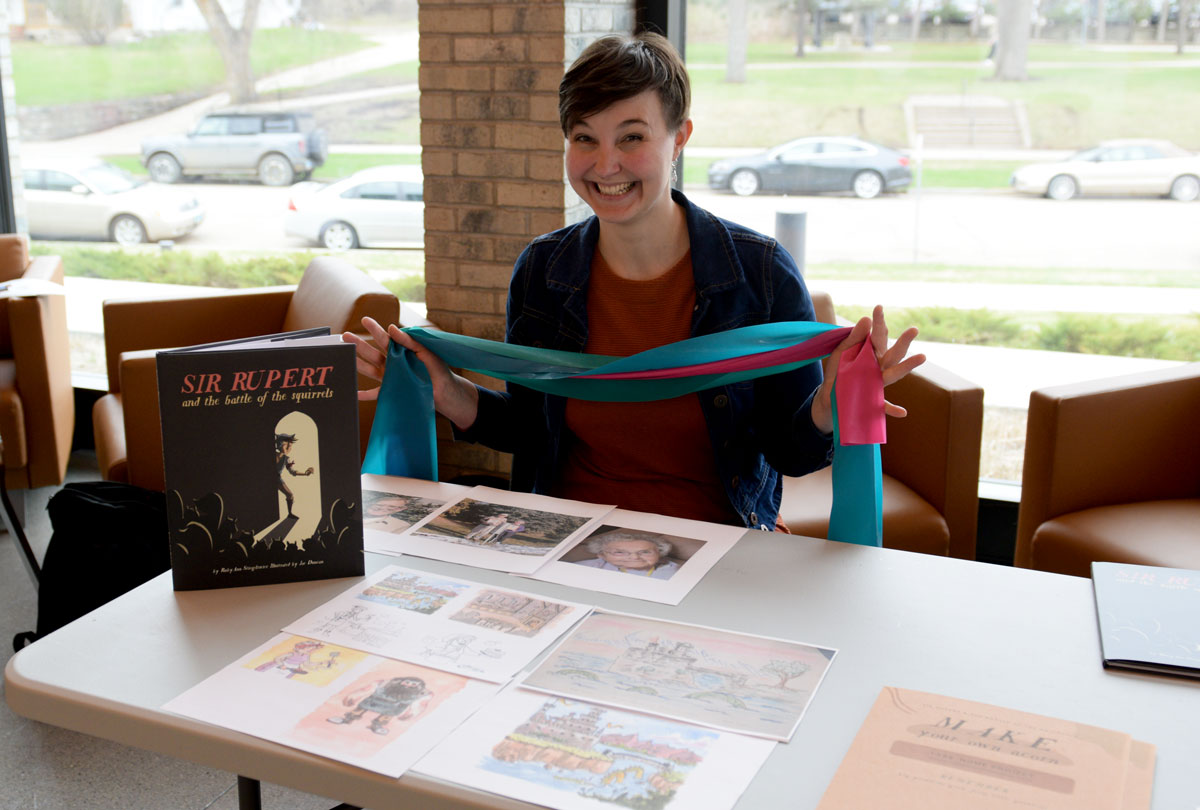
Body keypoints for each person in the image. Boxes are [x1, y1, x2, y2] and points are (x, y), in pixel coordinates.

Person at [347, 32, 923, 532]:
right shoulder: (543, 273)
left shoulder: (761, 274)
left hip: (719, 545)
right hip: (562, 540)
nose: (605, 165)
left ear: (680, 137)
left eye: (631, 136)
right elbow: (532, 429)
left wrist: (829, 402)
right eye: (584, 138)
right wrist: (446, 390)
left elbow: (790, 453)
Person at [574, 529, 680, 580]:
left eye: (645, 552)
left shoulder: (674, 571)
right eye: (620, 552)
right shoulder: (588, 567)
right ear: (602, 555)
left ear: (659, 553)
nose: (634, 557)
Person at [274, 433, 314, 518]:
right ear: (279, 444)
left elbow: (293, 472)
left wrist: (305, 473)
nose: (288, 448)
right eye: (286, 445)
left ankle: (290, 513)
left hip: (277, 478)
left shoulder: (286, 459)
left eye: (290, 446)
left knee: (290, 495)